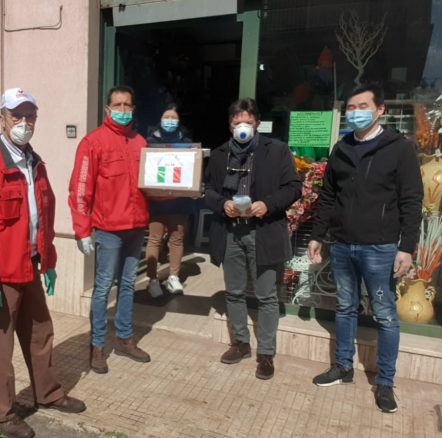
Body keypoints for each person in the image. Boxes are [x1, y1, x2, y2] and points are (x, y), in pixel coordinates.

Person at [0, 88, 85, 438]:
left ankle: (48, 393)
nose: (24, 122)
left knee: (41, 332)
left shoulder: (34, 163)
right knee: (0, 346)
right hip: (0, 275)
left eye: (30, 116)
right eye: (17, 115)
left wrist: (49, 260)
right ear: (2, 118)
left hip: (29, 266)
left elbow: (43, 216)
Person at [308, 84, 423, 413]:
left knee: (385, 315)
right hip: (342, 245)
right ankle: (343, 366)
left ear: (380, 110)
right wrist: (318, 235)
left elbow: (411, 199)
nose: (356, 112)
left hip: (381, 248)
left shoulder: (399, 148)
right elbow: (328, 197)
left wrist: (407, 247)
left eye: (363, 106)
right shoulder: (341, 148)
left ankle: (385, 382)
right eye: (351, 107)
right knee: (345, 307)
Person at [203, 98, 301, 380]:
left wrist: (268, 204)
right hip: (231, 231)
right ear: (230, 125)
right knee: (234, 291)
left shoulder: (277, 150)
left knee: (266, 295)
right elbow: (207, 189)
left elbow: (294, 187)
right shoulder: (220, 154)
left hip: (264, 230)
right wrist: (222, 203)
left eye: (247, 121)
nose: (242, 126)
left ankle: (266, 353)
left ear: (257, 122)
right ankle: (240, 343)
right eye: (237, 122)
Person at [68, 85, 151, 375]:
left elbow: (152, 184)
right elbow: (80, 190)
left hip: (136, 226)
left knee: (127, 285)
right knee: (103, 287)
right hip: (108, 229)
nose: (123, 110)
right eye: (118, 105)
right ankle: (98, 345)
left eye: (128, 105)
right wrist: (82, 230)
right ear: (107, 109)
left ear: (133, 109)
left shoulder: (140, 142)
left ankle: (125, 339)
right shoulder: (93, 143)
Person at [145, 103, 195, 297]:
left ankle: (173, 277)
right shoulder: (149, 142)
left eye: (174, 118)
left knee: (176, 239)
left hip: (179, 202)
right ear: (160, 119)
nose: (170, 121)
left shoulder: (187, 143)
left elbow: (192, 170)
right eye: (167, 117)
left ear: (179, 121)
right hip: (156, 201)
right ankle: (152, 280)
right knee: (154, 239)